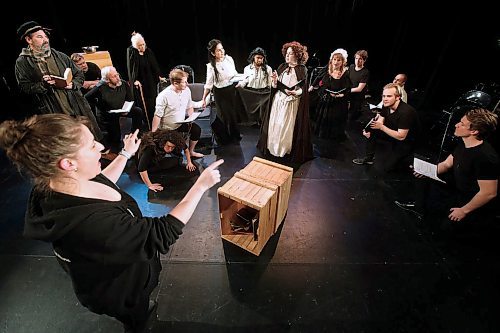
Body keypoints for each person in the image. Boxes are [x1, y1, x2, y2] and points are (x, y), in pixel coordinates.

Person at [0, 113, 223, 332]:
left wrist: (126, 154)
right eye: (90, 146)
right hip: (121, 290)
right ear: (68, 163)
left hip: (117, 271)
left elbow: (102, 181)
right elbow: (162, 233)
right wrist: (200, 187)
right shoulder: (92, 224)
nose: (100, 147)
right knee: (137, 317)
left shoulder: (58, 183)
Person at [395, 108, 498, 236]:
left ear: (474, 131)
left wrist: (464, 210)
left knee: (442, 230)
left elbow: (489, 193)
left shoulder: (485, 157)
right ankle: (419, 208)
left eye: (462, 124)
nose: (456, 125)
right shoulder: (463, 143)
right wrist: (427, 171)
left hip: (469, 199)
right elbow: (447, 164)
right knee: (425, 171)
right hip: (457, 186)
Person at [14, 21, 102, 140]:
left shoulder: (59, 55)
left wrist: (73, 84)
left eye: (46, 36)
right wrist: (43, 85)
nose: (45, 40)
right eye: (40, 37)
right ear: (29, 40)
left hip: (74, 103)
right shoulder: (23, 62)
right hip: (52, 108)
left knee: (87, 133)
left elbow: (79, 74)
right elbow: (24, 87)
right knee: (65, 138)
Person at [257, 41, 313, 164]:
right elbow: (275, 86)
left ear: (297, 55)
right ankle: (273, 148)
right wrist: (274, 81)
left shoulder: (302, 70)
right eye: (286, 54)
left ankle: (283, 150)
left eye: (291, 54)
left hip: (291, 103)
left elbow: (303, 89)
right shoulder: (282, 67)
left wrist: (296, 93)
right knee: (276, 125)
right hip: (279, 101)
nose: (287, 56)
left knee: (286, 127)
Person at [352, 83, 420, 172]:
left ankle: (406, 160)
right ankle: (369, 158)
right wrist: (372, 130)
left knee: (389, 168)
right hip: (394, 131)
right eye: (383, 96)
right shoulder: (386, 105)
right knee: (373, 128)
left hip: (407, 140)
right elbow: (381, 118)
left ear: (397, 97)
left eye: (389, 96)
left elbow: (401, 136)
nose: (385, 99)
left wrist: (381, 127)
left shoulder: (406, 112)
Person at [85, 66, 146, 155]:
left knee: (138, 111)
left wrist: (126, 109)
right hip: (109, 113)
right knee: (115, 135)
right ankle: (116, 149)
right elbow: (86, 98)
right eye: (114, 76)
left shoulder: (123, 84)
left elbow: (130, 99)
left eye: (117, 75)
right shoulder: (100, 87)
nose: (118, 78)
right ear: (107, 79)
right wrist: (100, 105)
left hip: (123, 109)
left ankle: (135, 135)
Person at [152, 68, 204, 158]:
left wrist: (191, 119)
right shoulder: (163, 96)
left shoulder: (186, 90)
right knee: (177, 154)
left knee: (196, 129)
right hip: (167, 128)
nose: (187, 84)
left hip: (180, 123)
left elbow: (189, 106)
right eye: (184, 82)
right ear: (175, 83)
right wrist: (153, 133)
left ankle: (191, 151)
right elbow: (157, 115)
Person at [201, 39, 242, 143]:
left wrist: (243, 79)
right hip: (220, 92)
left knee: (232, 114)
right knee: (224, 115)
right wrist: (203, 98)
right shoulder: (211, 66)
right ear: (213, 53)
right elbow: (209, 84)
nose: (222, 51)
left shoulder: (229, 59)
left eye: (222, 49)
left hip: (231, 90)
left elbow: (234, 73)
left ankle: (235, 136)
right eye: (218, 50)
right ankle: (224, 138)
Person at [309, 48, 351, 140]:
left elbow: (348, 89)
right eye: (334, 59)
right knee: (324, 117)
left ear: (343, 61)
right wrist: (311, 86)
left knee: (335, 118)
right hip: (326, 98)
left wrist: (341, 95)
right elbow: (318, 78)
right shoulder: (327, 68)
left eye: (338, 60)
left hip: (338, 100)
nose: (336, 62)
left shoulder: (345, 73)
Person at [126, 32, 164, 125]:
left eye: (143, 44)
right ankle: (148, 123)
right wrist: (134, 80)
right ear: (135, 46)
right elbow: (131, 69)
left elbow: (154, 65)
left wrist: (159, 76)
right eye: (140, 45)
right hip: (140, 83)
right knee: (145, 104)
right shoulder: (132, 52)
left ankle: (155, 122)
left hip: (150, 81)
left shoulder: (148, 51)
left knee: (153, 101)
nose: (142, 47)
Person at [236, 47, 273, 125]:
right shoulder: (247, 68)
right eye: (258, 58)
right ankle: (252, 122)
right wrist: (240, 85)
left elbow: (270, 83)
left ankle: (262, 124)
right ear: (253, 57)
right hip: (251, 92)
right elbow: (245, 80)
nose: (260, 60)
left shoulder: (268, 69)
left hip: (263, 93)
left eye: (261, 58)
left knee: (263, 109)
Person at [348, 50, 369, 121]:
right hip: (349, 95)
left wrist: (347, 90)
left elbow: (359, 88)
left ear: (364, 60)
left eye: (360, 59)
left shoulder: (365, 72)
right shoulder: (351, 67)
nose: (357, 61)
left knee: (351, 117)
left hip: (357, 98)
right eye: (356, 58)